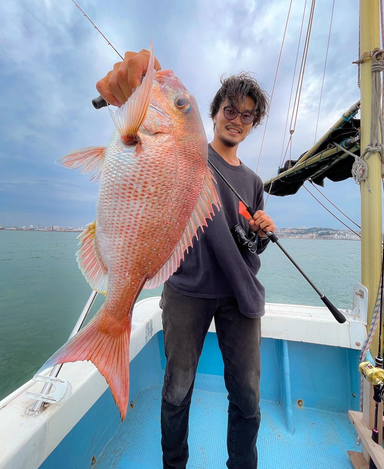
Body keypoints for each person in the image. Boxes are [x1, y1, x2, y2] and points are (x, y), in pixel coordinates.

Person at [96, 50, 276, 469]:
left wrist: (260, 231)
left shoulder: (252, 181)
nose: (237, 118)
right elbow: (145, 127)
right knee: (176, 391)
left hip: (240, 294)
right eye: (230, 109)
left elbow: (251, 245)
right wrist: (138, 83)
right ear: (213, 113)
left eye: (247, 115)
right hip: (186, 291)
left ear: (252, 126)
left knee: (247, 398)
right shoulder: (188, 151)